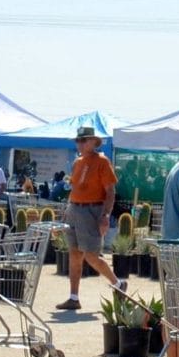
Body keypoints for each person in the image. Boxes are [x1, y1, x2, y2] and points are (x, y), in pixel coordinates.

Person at [57, 125, 126, 310]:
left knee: (91, 256)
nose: (79, 143)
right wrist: (67, 211)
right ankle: (73, 298)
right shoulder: (77, 162)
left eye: (83, 140)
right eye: (78, 140)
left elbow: (110, 191)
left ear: (94, 142)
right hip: (75, 209)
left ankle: (118, 284)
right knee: (74, 254)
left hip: (91, 210)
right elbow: (74, 189)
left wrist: (105, 215)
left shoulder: (102, 161)